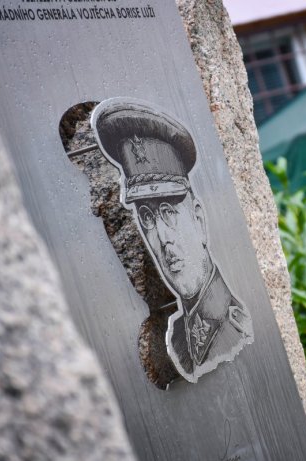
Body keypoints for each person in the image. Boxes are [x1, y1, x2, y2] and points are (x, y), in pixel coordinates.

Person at [92, 98, 253, 384]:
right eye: (148, 219)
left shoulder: (236, 326)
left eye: (168, 213)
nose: (163, 239)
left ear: (199, 220)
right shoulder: (179, 335)